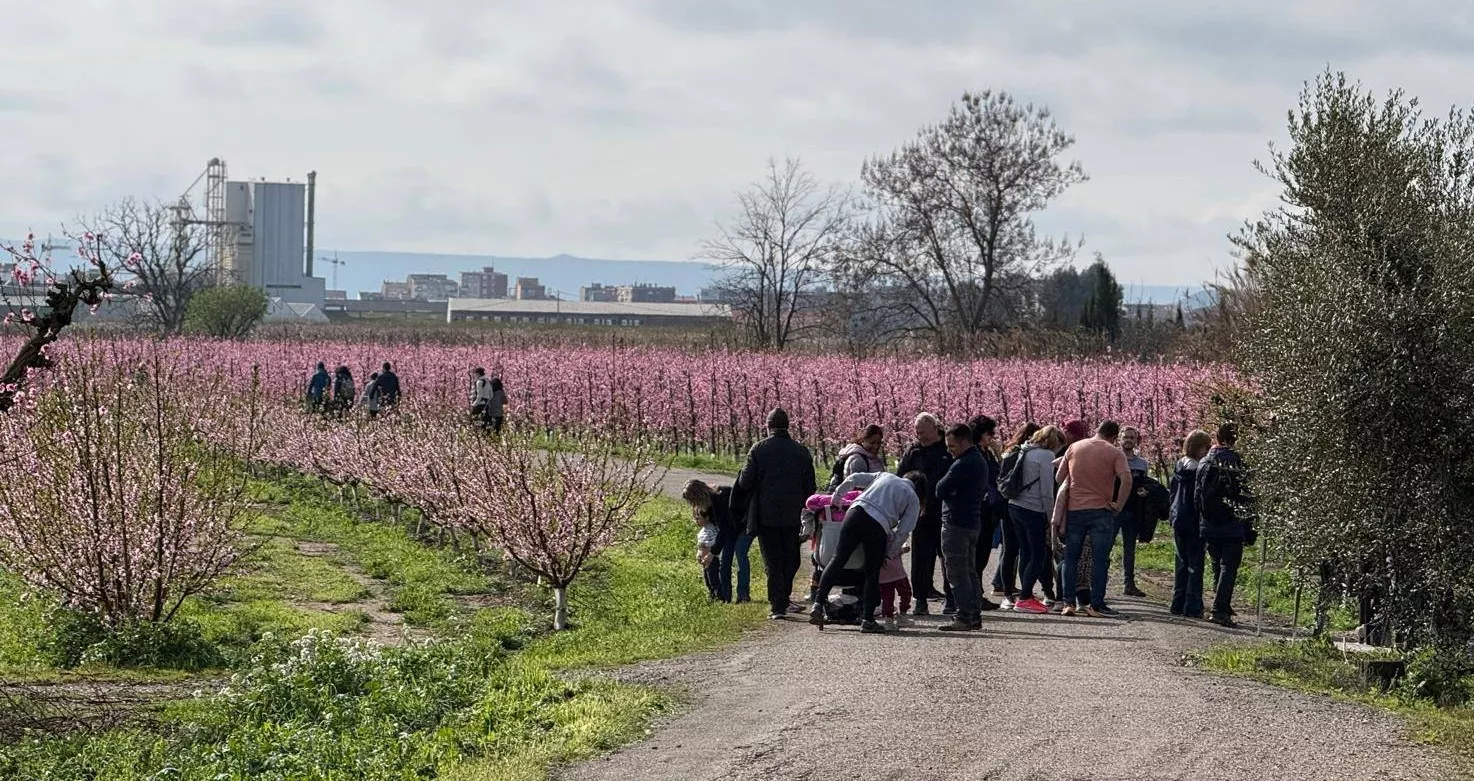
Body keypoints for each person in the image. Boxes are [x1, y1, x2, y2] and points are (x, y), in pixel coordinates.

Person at [810, 470, 927, 633]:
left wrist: (837, 497)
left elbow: (854, 478)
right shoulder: (913, 498)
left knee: (837, 559)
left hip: (855, 511)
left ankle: (818, 603)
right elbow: (903, 531)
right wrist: (889, 553)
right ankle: (867, 619)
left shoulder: (885, 476)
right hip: (878, 524)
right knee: (872, 572)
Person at [735, 409, 817, 620]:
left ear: (767, 426)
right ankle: (784, 595)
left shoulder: (758, 449)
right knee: (791, 558)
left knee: (772, 560)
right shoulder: (801, 451)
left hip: (766, 515)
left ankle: (777, 605)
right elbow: (811, 487)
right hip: (793, 515)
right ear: (788, 426)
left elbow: (745, 482)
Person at [1055, 420, 1132, 618]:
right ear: (1114, 437)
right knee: (1100, 560)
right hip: (1101, 510)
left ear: (1097, 430)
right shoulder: (1115, 452)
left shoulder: (1074, 447)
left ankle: (1068, 602)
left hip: (1075, 509)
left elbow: (1059, 477)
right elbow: (1127, 479)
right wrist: (1118, 504)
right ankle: (1096, 604)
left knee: (1071, 557)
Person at [1199, 423, 1254, 627]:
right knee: (1229, 567)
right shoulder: (1238, 462)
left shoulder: (1205, 460)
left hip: (1209, 522)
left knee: (1217, 564)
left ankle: (1220, 603)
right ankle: (1220, 610)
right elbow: (1246, 496)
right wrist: (1249, 525)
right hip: (1232, 523)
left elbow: (1197, 493)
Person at [896, 413, 951, 615]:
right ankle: (920, 599)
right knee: (921, 557)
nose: (920, 437)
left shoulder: (948, 448)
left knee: (946, 555)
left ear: (935, 429)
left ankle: (951, 598)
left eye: (924, 433)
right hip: (919, 510)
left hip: (943, 509)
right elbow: (901, 476)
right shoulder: (914, 450)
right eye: (917, 433)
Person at [1008, 425, 1065, 614]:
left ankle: (1026, 594)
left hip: (1015, 505)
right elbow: (1047, 491)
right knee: (1039, 555)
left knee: (1025, 551)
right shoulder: (1046, 456)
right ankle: (1025, 597)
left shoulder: (1025, 450)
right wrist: (1051, 517)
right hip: (1033, 508)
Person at [936, 424, 986, 631]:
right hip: (972, 521)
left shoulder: (962, 464)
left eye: (952, 446)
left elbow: (940, 489)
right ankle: (974, 614)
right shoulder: (980, 460)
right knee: (970, 570)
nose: (949, 451)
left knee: (957, 572)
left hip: (956, 522)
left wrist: (949, 490)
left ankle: (964, 615)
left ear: (964, 441)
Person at [992, 423, 1041, 606]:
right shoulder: (1026, 453)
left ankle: (1008, 592)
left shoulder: (1009, 451)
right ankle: (1018, 591)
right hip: (1020, 503)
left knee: (1010, 550)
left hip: (1007, 503)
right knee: (1022, 549)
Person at [1170, 430, 1212, 618]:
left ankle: (1177, 603)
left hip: (1178, 517)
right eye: (1206, 447)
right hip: (1193, 520)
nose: (1208, 450)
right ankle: (1193, 605)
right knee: (1195, 563)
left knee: (1181, 562)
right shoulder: (1199, 470)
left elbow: (1173, 492)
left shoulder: (1179, 465)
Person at [967, 415, 1005, 613]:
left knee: (982, 554)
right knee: (977, 554)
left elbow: (999, 475)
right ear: (981, 434)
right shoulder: (975, 454)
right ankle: (974, 595)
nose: (992, 437)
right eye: (990, 433)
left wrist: (998, 455)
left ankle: (976, 593)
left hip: (989, 508)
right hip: (980, 507)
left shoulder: (986, 453)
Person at [1115, 426, 1151, 598]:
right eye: (1126, 437)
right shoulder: (1113, 458)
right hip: (1114, 508)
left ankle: (1129, 584)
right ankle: (1098, 582)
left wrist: (1144, 491)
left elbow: (1144, 484)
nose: (1128, 440)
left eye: (1132, 437)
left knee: (1129, 548)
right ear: (1120, 439)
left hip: (1132, 510)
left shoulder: (1142, 464)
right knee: (1105, 545)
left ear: (1136, 440)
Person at [682, 480, 729, 601]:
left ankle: (722, 596)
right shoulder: (705, 525)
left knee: (715, 576)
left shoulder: (718, 501)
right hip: (709, 555)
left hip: (716, 550)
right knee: (708, 578)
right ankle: (714, 596)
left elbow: (724, 530)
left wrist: (711, 554)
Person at [878, 552, 912, 631]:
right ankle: (901, 615)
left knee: (887, 596)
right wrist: (901, 550)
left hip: (883, 569)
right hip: (895, 568)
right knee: (905, 592)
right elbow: (894, 548)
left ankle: (889, 619)